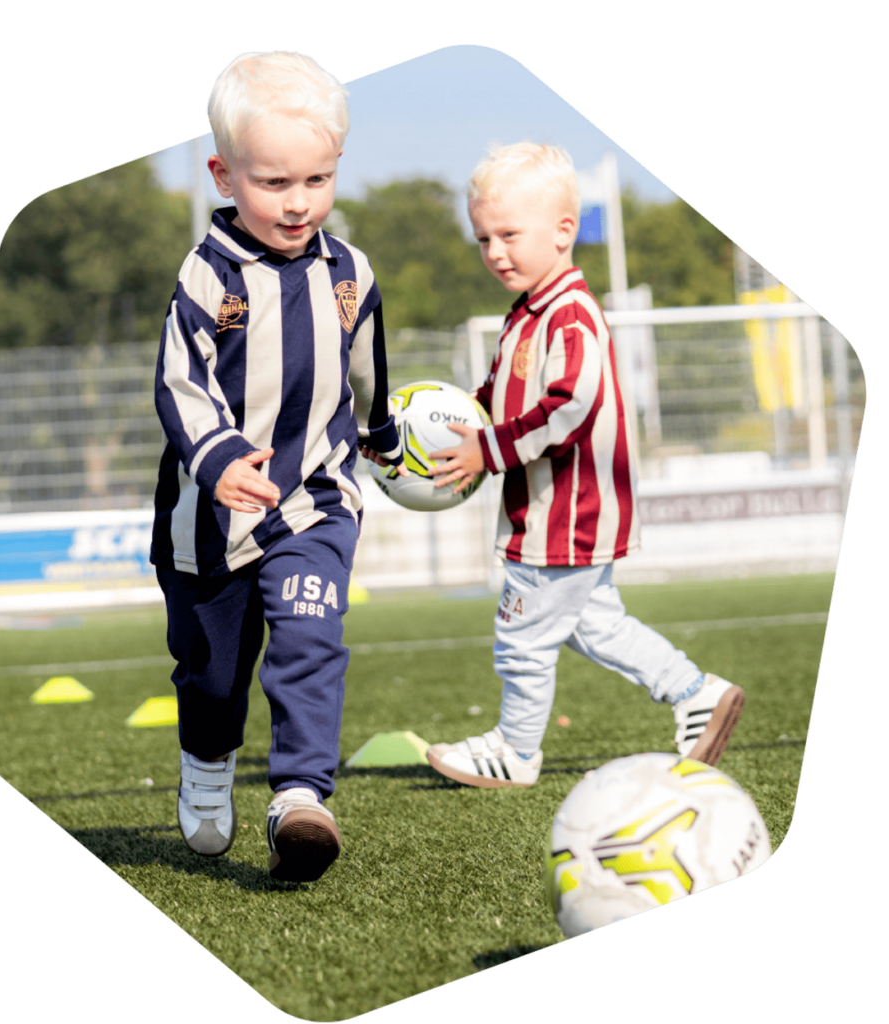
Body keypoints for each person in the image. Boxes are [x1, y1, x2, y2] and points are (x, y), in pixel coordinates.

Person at [150, 50, 405, 880]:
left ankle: (301, 797)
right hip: (210, 518)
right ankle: (208, 764)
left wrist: (381, 432)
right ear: (224, 174)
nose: (298, 203)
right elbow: (179, 382)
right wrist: (219, 458)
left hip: (316, 499)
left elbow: (366, 363)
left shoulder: (351, 273)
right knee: (213, 674)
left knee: (309, 635)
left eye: (316, 181)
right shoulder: (207, 276)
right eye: (273, 184)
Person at [425, 142, 744, 788]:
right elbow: (491, 400)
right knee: (593, 624)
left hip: (564, 515)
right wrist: (432, 433)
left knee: (522, 638)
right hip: (556, 517)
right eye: (483, 238)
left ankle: (515, 752)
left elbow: (568, 408)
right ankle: (694, 692)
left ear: (563, 231)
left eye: (509, 234)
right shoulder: (526, 315)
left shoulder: (570, 316)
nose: (495, 252)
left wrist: (486, 450)